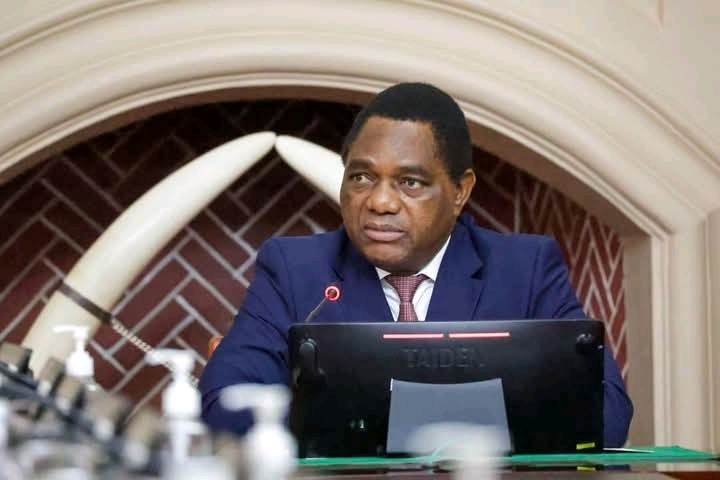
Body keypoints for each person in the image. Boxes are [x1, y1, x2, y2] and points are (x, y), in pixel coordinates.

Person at [199, 82, 633, 447]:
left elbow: (605, 413)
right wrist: (466, 417)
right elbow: (222, 405)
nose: (380, 202)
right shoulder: (296, 269)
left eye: (410, 182)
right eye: (361, 177)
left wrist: (355, 418)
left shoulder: (524, 269)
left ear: (460, 191)